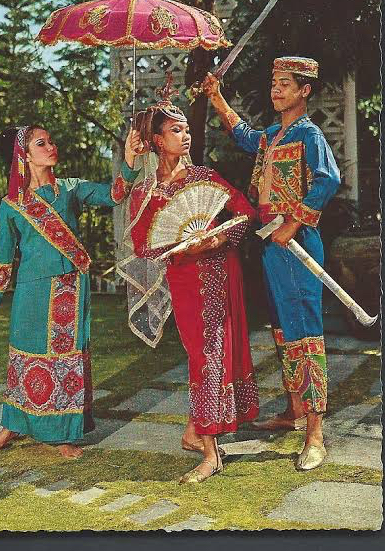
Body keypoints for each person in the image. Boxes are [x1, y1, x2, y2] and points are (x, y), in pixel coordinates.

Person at [0, 124, 142, 459]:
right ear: (25, 156)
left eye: (51, 141)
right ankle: (11, 427)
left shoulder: (71, 189)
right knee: (23, 356)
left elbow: (115, 194)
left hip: (69, 289)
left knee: (64, 360)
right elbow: (4, 258)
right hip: (31, 291)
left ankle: (61, 434)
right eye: (41, 143)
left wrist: (129, 157)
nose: (51, 146)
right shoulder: (11, 205)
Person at [202, 56, 340, 470]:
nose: (276, 90)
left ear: (304, 90)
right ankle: (294, 411)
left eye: (284, 84)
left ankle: (315, 434)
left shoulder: (309, 134)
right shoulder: (272, 136)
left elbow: (328, 179)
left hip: (297, 242)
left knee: (304, 332)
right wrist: (216, 97)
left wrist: (294, 222)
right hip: (271, 242)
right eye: (274, 83)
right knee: (282, 329)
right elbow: (244, 135)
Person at [122, 78, 259, 483]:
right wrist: (180, 246)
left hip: (220, 273)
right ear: (156, 140)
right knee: (202, 356)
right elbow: (143, 245)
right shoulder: (146, 194)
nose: (186, 136)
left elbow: (245, 212)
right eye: (176, 130)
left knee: (212, 355)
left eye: (187, 130)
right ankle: (202, 437)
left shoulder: (205, 176)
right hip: (184, 280)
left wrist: (217, 238)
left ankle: (207, 447)